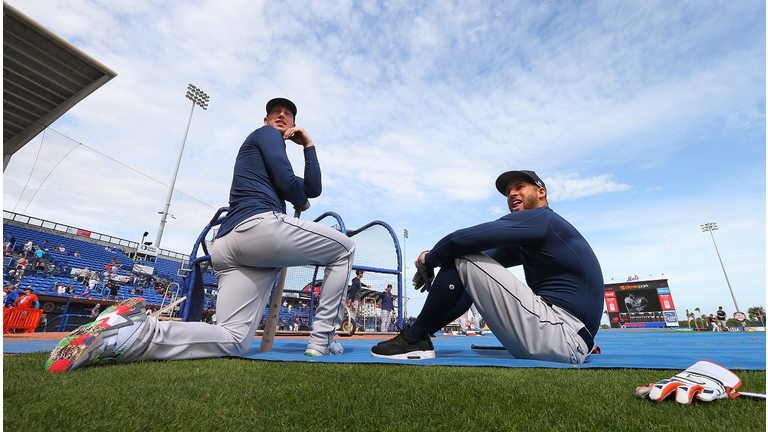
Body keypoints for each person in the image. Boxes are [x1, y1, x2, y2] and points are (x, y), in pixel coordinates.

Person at [47, 97, 356, 373]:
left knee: (234, 339)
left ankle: (130, 333)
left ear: (293, 123)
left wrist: (309, 145)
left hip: (231, 247)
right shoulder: (264, 135)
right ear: (265, 120)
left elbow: (313, 187)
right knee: (344, 248)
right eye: (275, 111)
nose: (280, 114)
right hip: (256, 228)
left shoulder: (273, 157)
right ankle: (323, 338)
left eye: (287, 113)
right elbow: (298, 189)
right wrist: (300, 201)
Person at [371, 170, 604, 364]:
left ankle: (414, 338)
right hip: (565, 336)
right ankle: (419, 334)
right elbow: (471, 272)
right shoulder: (533, 239)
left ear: (541, 192)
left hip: (562, 337)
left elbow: (459, 241)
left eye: (520, 186)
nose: (512, 193)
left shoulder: (542, 219)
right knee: (466, 262)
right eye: (508, 192)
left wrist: (428, 260)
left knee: (462, 255)